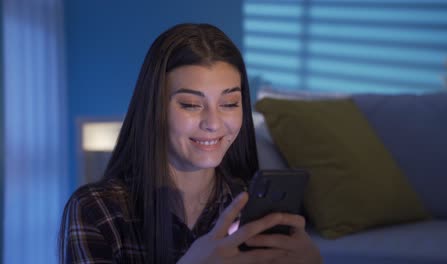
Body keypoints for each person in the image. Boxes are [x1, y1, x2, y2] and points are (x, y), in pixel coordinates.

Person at [58, 23, 322, 264]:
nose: (213, 123)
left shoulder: (249, 207)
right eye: (191, 105)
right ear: (155, 108)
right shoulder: (97, 210)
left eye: (229, 104)